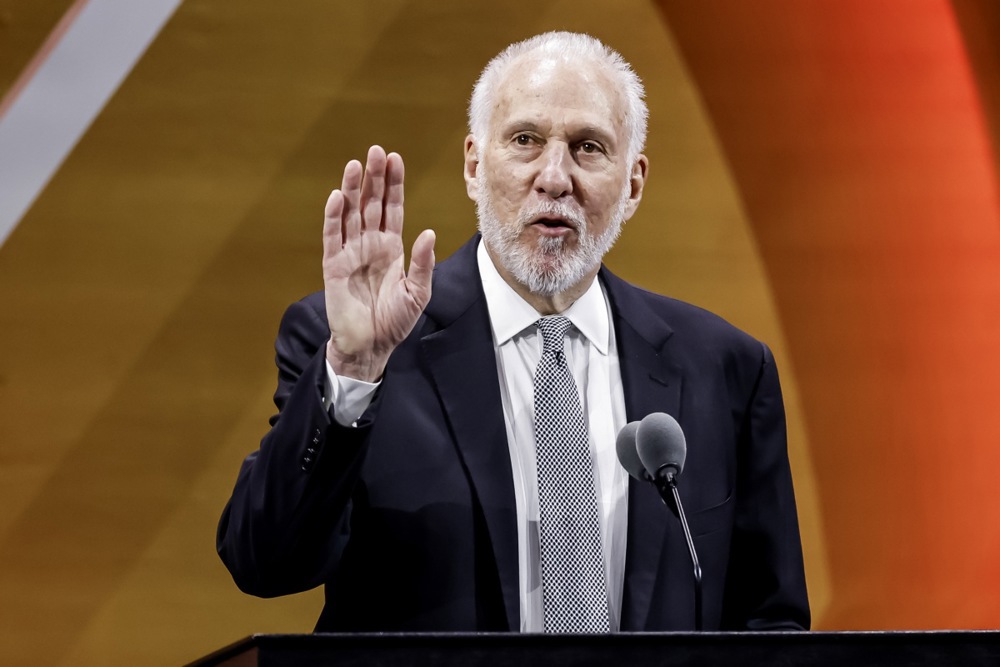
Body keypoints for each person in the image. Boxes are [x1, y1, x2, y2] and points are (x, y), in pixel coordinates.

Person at [217, 31, 809, 633]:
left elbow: (772, 624)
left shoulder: (724, 369)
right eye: (525, 141)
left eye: (588, 147)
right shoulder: (360, 347)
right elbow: (266, 564)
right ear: (475, 165)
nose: (554, 177)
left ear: (632, 184)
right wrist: (353, 371)